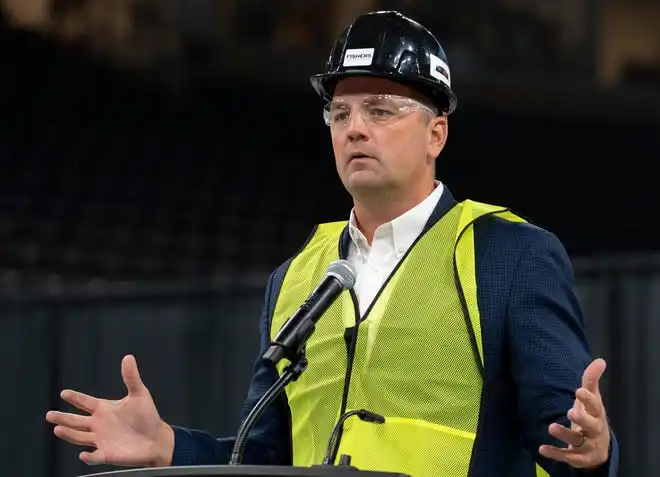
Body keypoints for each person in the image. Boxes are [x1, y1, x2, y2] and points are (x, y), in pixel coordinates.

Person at [46, 10, 619, 477]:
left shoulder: (510, 256)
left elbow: (567, 447)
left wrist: (596, 454)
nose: (354, 128)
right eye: (339, 112)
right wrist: (168, 445)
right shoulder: (296, 278)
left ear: (436, 133)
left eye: (380, 110)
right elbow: (266, 460)